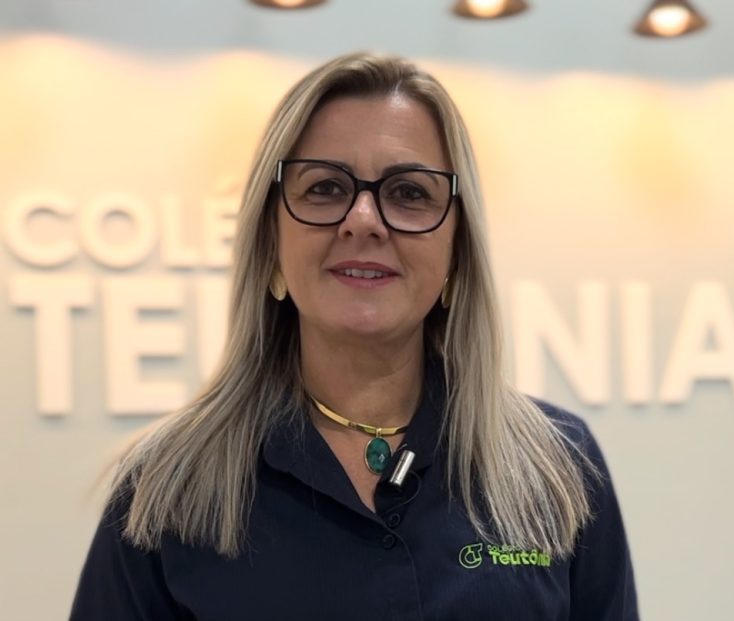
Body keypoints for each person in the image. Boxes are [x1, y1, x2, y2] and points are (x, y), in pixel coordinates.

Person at [70, 52, 639, 620]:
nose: (363, 220)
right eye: (324, 187)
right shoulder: (165, 488)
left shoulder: (558, 466)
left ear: (458, 247)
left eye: (409, 193)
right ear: (271, 238)